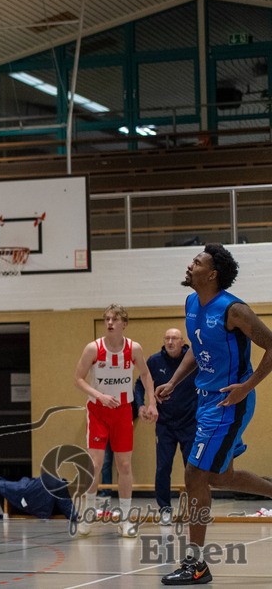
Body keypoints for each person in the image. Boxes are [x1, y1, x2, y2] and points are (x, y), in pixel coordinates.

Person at [156, 245, 272, 585]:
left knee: (195, 475)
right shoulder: (192, 303)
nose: (189, 266)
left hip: (228, 403)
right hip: (205, 400)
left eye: (197, 262)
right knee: (220, 477)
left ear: (212, 274)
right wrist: (175, 381)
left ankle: (196, 565)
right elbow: (199, 349)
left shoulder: (234, 310)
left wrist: (246, 386)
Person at [73, 304, 158, 537]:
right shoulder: (93, 348)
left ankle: (126, 518)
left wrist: (152, 403)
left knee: (124, 466)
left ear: (124, 324)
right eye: (107, 318)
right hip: (98, 411)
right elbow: (78, 379)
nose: (110, 322)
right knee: (95, 464)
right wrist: (99, 395)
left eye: (115, 319)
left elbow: (145, 374)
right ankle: (88, 513)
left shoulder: (134, 349)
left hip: (122, 412)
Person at [133, 328, 196, 524]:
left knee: (192, 469)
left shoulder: (192, 360)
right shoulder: (154, 361)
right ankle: (165, 509)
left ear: (182, 341)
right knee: (163, 468)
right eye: (167, 338)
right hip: (165, 424)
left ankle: (195, 508)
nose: (170, 342)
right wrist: (141, 405)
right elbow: (139, 384)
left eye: (174, 338)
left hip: (190, 422)